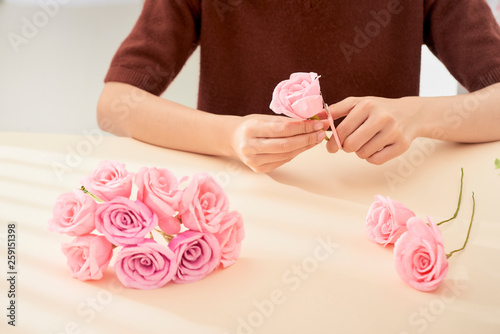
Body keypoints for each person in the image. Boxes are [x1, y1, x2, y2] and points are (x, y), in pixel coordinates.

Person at [97, 0, 500, 173]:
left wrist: (418, 115)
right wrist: (229, 136)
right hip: (242, 209)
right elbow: (115, 105)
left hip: (378, 208)